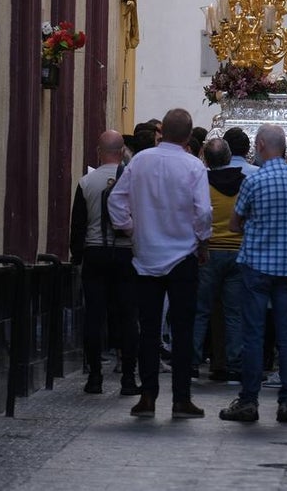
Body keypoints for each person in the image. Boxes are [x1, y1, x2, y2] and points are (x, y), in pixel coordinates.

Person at [108, 108, 212, 419]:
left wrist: (131, 227)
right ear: (188, 135)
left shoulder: (140, 161)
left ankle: (148, 395)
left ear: (162, 130)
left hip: (146, 255)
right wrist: (202, 241)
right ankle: (181, 398)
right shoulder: (194, 166)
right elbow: (203, 212)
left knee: (149, 328)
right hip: (183, 257)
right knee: (182, 329)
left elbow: (116, 200)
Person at [219, 124, 287, 424]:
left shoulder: (254, 181)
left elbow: (234, 223)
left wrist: (254, 225)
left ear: (259, 145)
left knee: (254, 335)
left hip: (257, 265)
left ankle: (249, 401)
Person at [70, 130, 139, 396]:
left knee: (94, 316)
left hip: (95, 252)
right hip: (124, 253)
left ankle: (95, 377)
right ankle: (129, 379)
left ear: (99, 151)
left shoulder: (86, 182)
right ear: (122, 151)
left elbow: (78, 226)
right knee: (128, 316)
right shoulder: (132, 181)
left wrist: (77, 257)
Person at [193, 138, 247, 384]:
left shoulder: (202, 182)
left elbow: (198, 215)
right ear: (228, 157)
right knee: (234, 312)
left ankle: (192, 363)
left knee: (201, 310)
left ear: (206, 159)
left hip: (209, 251)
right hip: (237, 251)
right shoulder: (244, 182)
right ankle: (235, 364)